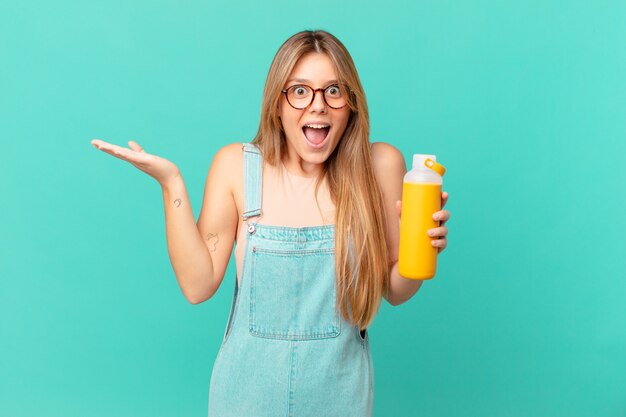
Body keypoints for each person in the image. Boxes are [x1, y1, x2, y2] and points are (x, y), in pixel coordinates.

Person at [91, 30, 450, 417]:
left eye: (334, 90)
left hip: (340, 399)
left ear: (352, 104)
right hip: (244, 399)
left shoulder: (379, 167)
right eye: (299, 90)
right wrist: (171, 183)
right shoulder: (237, 167)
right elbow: (197, 286)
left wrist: (423, 250)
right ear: (277, 104)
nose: (318, 106)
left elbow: (394, 291)